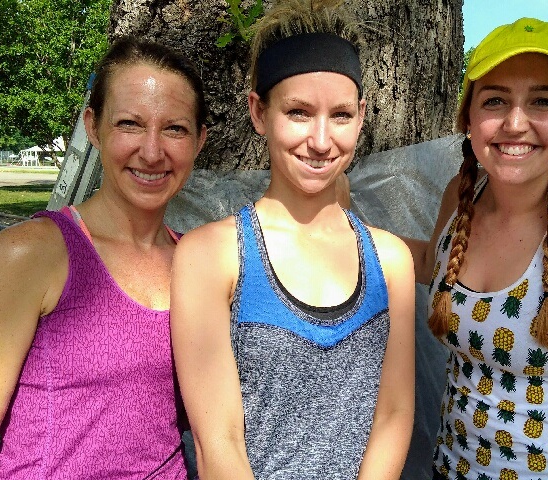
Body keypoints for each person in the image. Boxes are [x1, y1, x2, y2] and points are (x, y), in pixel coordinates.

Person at [169, 0, 416, 478]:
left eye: (340, 115)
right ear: (259, 113)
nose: (321, 141)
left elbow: (394, 414)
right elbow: (217, 441)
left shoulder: (391, 261)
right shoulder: (211, 256)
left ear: (361, 116)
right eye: (299, 112)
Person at [402, 17, 548, 480]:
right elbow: (431, 264)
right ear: (468, 119)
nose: (516, 124)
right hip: (450, 468)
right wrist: (337, 228)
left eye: (542, 101)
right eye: (495, 100)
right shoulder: (462, 194)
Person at [0, 37, 207, 478]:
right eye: (129, 123)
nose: (152, 151)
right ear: (93, 126)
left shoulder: (199, 266)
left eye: (175, 129)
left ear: (199, 140)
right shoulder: (35, 252)